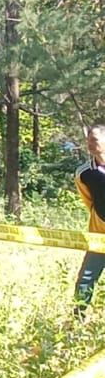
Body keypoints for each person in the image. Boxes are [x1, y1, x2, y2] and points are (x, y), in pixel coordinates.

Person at [75, 125, 105, 314]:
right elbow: (89, 201)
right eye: (88, 141)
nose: (90, 145)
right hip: (100, 235)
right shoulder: (84, 173)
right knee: (86, 279)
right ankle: (80, 317)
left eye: (94, 140)